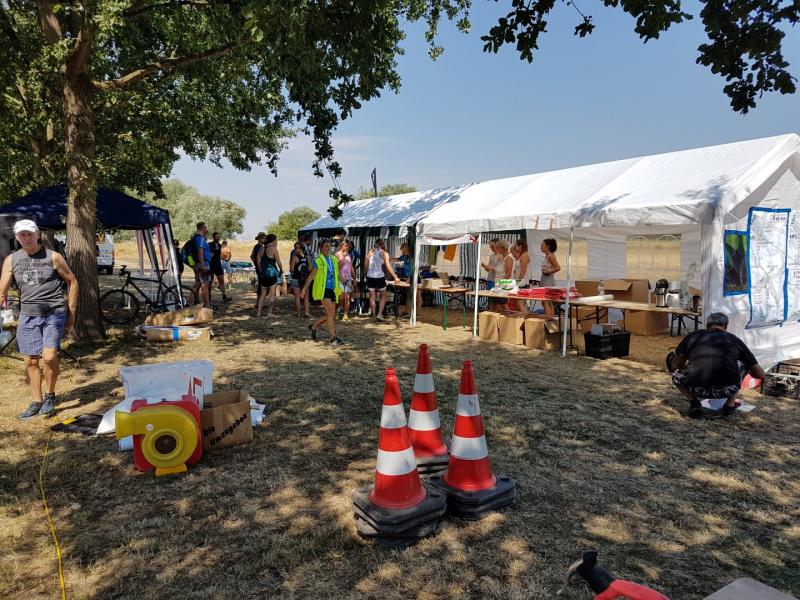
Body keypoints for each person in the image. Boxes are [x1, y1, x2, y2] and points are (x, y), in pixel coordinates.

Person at [0, 220, 78, 419]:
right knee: (31, 361)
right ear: (17, 237)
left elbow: (72, 281)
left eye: (29, 234)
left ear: (37, 235)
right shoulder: (11, 260)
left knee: (49, 357)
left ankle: (50, 395)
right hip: (28, 315)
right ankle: (37, 401)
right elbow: (3, 288)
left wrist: (72, 310)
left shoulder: (53, 257)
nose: (26, 238)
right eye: (22, 235)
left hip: (53, 312)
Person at [670, 312, 766, 418]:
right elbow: (760, 375)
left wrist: (690, 366)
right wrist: (746, 371)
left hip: (696, 389)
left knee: (676, 375)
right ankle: (730, 405)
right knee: (742, 365)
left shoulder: (693, 337)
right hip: (727, 390)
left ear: (707, 325)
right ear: (726, 326)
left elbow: (675, 365)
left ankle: (694, 403)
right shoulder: (734, 340)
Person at [301, 239, 343, 345]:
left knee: (331, 314)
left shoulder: (334, 259)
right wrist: (304, 288)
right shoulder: (318, 261)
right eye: (326, 246)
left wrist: (345, 282)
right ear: (321, 248)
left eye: (329, 246)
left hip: (333, 289)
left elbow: (337, 274)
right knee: (330, 314)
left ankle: (314, 327)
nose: (328, 248)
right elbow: (311, 276)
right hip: (323, 290)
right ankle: (333, 338)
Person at [365, 239, 400, 322]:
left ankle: (374, 315)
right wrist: (395, 277)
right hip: (380, 276)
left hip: (370, 276)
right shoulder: (384, 253)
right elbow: (388, 266)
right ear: (382, 245)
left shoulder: (370, 252)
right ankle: (380, 314)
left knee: (372, 297)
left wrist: (367, 273)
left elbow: (365, 264)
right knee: (384, 295)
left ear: (375, 244)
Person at [256, 234, 283, 318]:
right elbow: (279, 263)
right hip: (272, 274)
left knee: (263, 294)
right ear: (273, 241)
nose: (276, 242)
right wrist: (281, 270)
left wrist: (261, 270)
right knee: (272, 294)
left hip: (263, 274)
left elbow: (258, 260)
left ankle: (258, 313)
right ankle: (269, 313)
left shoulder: (261, 248)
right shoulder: (273, 249)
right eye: (276, 240)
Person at [192, 222, 213, 308]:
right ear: (202, 228)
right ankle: (207, 305)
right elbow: (200, 252)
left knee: (198, 283)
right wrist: (202, 265)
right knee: (205, 285)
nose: (207, 229)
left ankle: (195, 302)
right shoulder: (200, 239)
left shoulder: (196, 238)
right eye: (206, 227)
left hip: (198, 263)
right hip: (203, 263)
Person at [539, 238, 561, 319]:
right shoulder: (547, 256)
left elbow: (558, 267)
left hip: (548, 280)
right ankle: (551, 318)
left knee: (545, 301)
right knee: (548, 302)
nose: (541, 247)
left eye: (542, 245)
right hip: (545, 279)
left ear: (547, 246)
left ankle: (549, 318)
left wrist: (548, 271)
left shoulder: (550, 256)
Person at [289, 241, 312, 318]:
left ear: (301, 248)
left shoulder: (294, 258)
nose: (295, 249)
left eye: (297, 248)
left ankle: (298, 313)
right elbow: (310, 268)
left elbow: (291, 269)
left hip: (296, 278)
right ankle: (306, 312)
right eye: (295, 248)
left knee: (297, 297)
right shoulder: (307, 257)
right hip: (305, 279)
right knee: (306, 296)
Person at [209, 232, 232, 303]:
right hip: (211, 265)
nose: (218, 238)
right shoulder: (209, 244)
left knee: (221, 280)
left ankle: (224, 297)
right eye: (217, 237)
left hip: (218, 264)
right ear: (213, 237)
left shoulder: (220, 245)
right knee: (210, 281)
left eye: (219, 237)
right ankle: (209, 297)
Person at [336, 240, 355, 321]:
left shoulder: (349, 255)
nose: (347, 247)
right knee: (340, 297)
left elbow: (351, 266)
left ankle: (345, 314)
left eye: (348, 246)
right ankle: (336, 312)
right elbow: (337, 268)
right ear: (341, 246)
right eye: (346, 246)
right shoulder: (337, 254)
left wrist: (354, 276)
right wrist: (343, 257)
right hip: (339, 278)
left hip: (348, 278)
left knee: (347, 297)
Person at [251, 232, 266, 306]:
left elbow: (252, 257)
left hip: (261, 268)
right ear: (259, 238)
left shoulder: (260, 246)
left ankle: (259, 303)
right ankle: (258, 303)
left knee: (262, 285)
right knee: (261, 285)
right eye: (263, 238)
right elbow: (254, 258)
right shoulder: (258, 247)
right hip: (260, 269)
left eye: (265, 238)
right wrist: (258, 266)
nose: (264, 239)